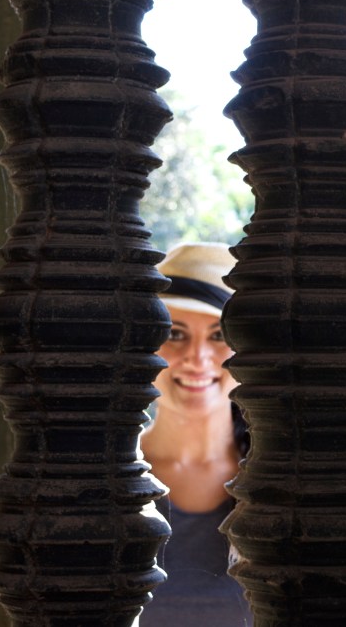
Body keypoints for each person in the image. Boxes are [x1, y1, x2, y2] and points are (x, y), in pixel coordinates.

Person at [139, 242, 252, 626]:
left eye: (219, 335)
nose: (197, 357)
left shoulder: (282, 478)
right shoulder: (105, 476)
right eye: (175, 332)